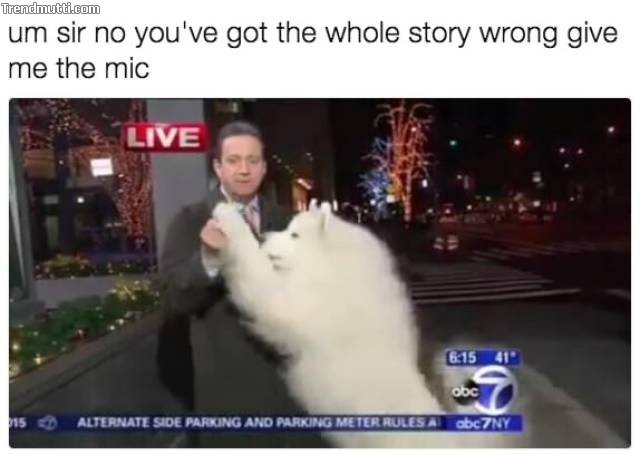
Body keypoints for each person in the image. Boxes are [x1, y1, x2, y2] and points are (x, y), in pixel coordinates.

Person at [156, 120, 328, 448]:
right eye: (233, 161)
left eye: (252, 160)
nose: (244, 170)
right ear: (218, 168)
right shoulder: (190, 220)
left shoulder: (287, 222)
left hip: (291, 396)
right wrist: (209, 259)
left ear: (263, 168)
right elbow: (175, 297)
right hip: (227, 398)